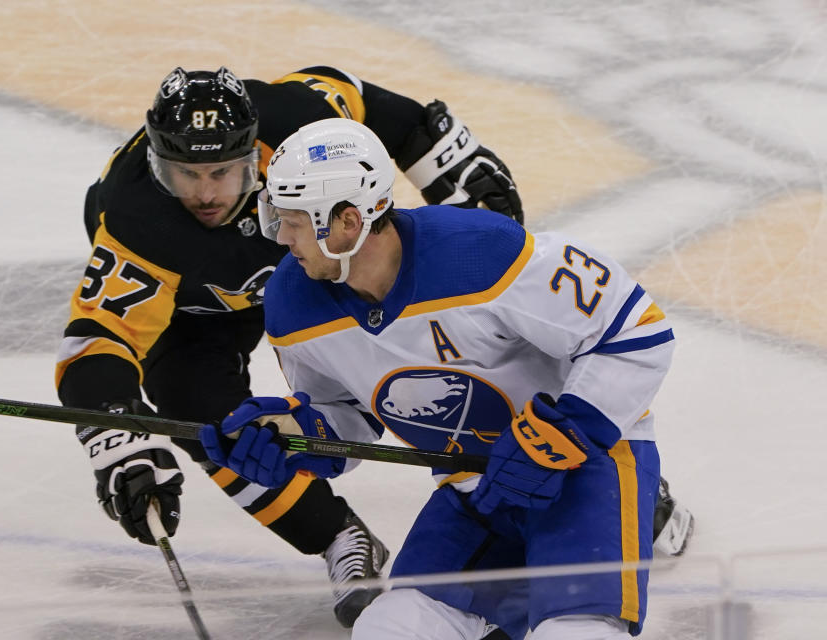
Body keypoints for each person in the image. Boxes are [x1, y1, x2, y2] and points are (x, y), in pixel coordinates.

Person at [55, 64, 525, 628]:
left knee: (440, 333)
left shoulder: (298, 122)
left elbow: (361, 99)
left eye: (223, 173)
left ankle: (579, 465)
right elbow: (96, 340)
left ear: (254, 151)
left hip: (312, 258)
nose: (206, 195)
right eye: (186, 174)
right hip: (198, 305)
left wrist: (448, 159)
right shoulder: (133, 217)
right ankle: (339, 539)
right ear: (157, 163)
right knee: (205, 416)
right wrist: (116, 437)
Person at [200, 118, 677, 639]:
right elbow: (349, 416)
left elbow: (636, 332)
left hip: (587, 466)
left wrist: (564, 433)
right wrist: (287, 437)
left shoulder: (481, 253)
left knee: (578, 633)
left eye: (292, 220)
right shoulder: (293, 303)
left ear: (348, 221)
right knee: (388, 630)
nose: (281, 237)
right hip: (474, 489)